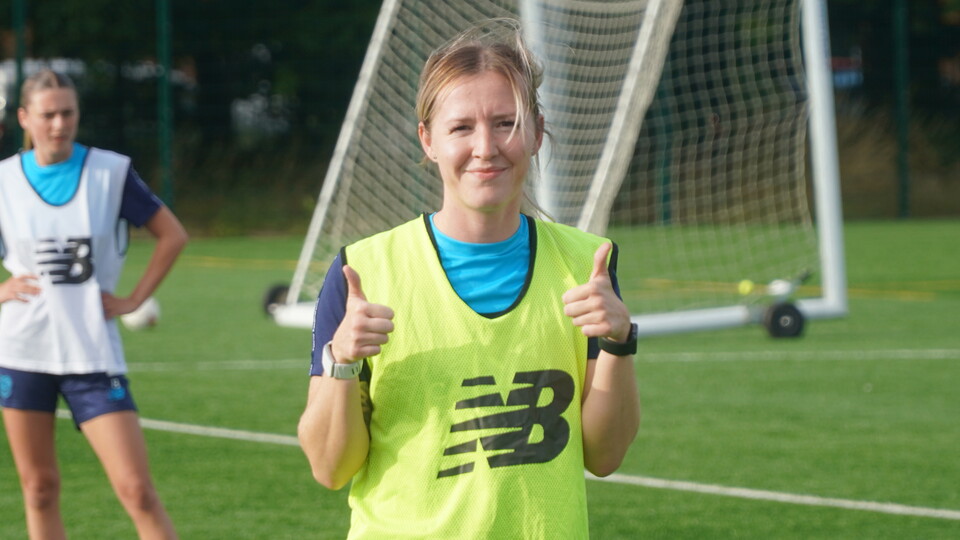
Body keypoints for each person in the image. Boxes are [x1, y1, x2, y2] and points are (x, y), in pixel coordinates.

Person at [298, 19, 641, 539]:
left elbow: (605, 455)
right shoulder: (362, 271)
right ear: (428, 140)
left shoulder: (586, 264)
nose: (486, 147)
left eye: (506, 123)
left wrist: (618, 341)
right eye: (461, 127)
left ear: (537, 132)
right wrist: (341, 361)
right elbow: (330, 468)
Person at [0, 69, 187, 540]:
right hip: (23, 352)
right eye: (48, 115)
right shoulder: (3, 181)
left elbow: (172, 235)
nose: (59, 124)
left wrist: (133, 299)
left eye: (68, 113)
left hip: (92, 353)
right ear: (24, 118)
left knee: (137, 491)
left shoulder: (111, 172)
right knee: (39, 489)